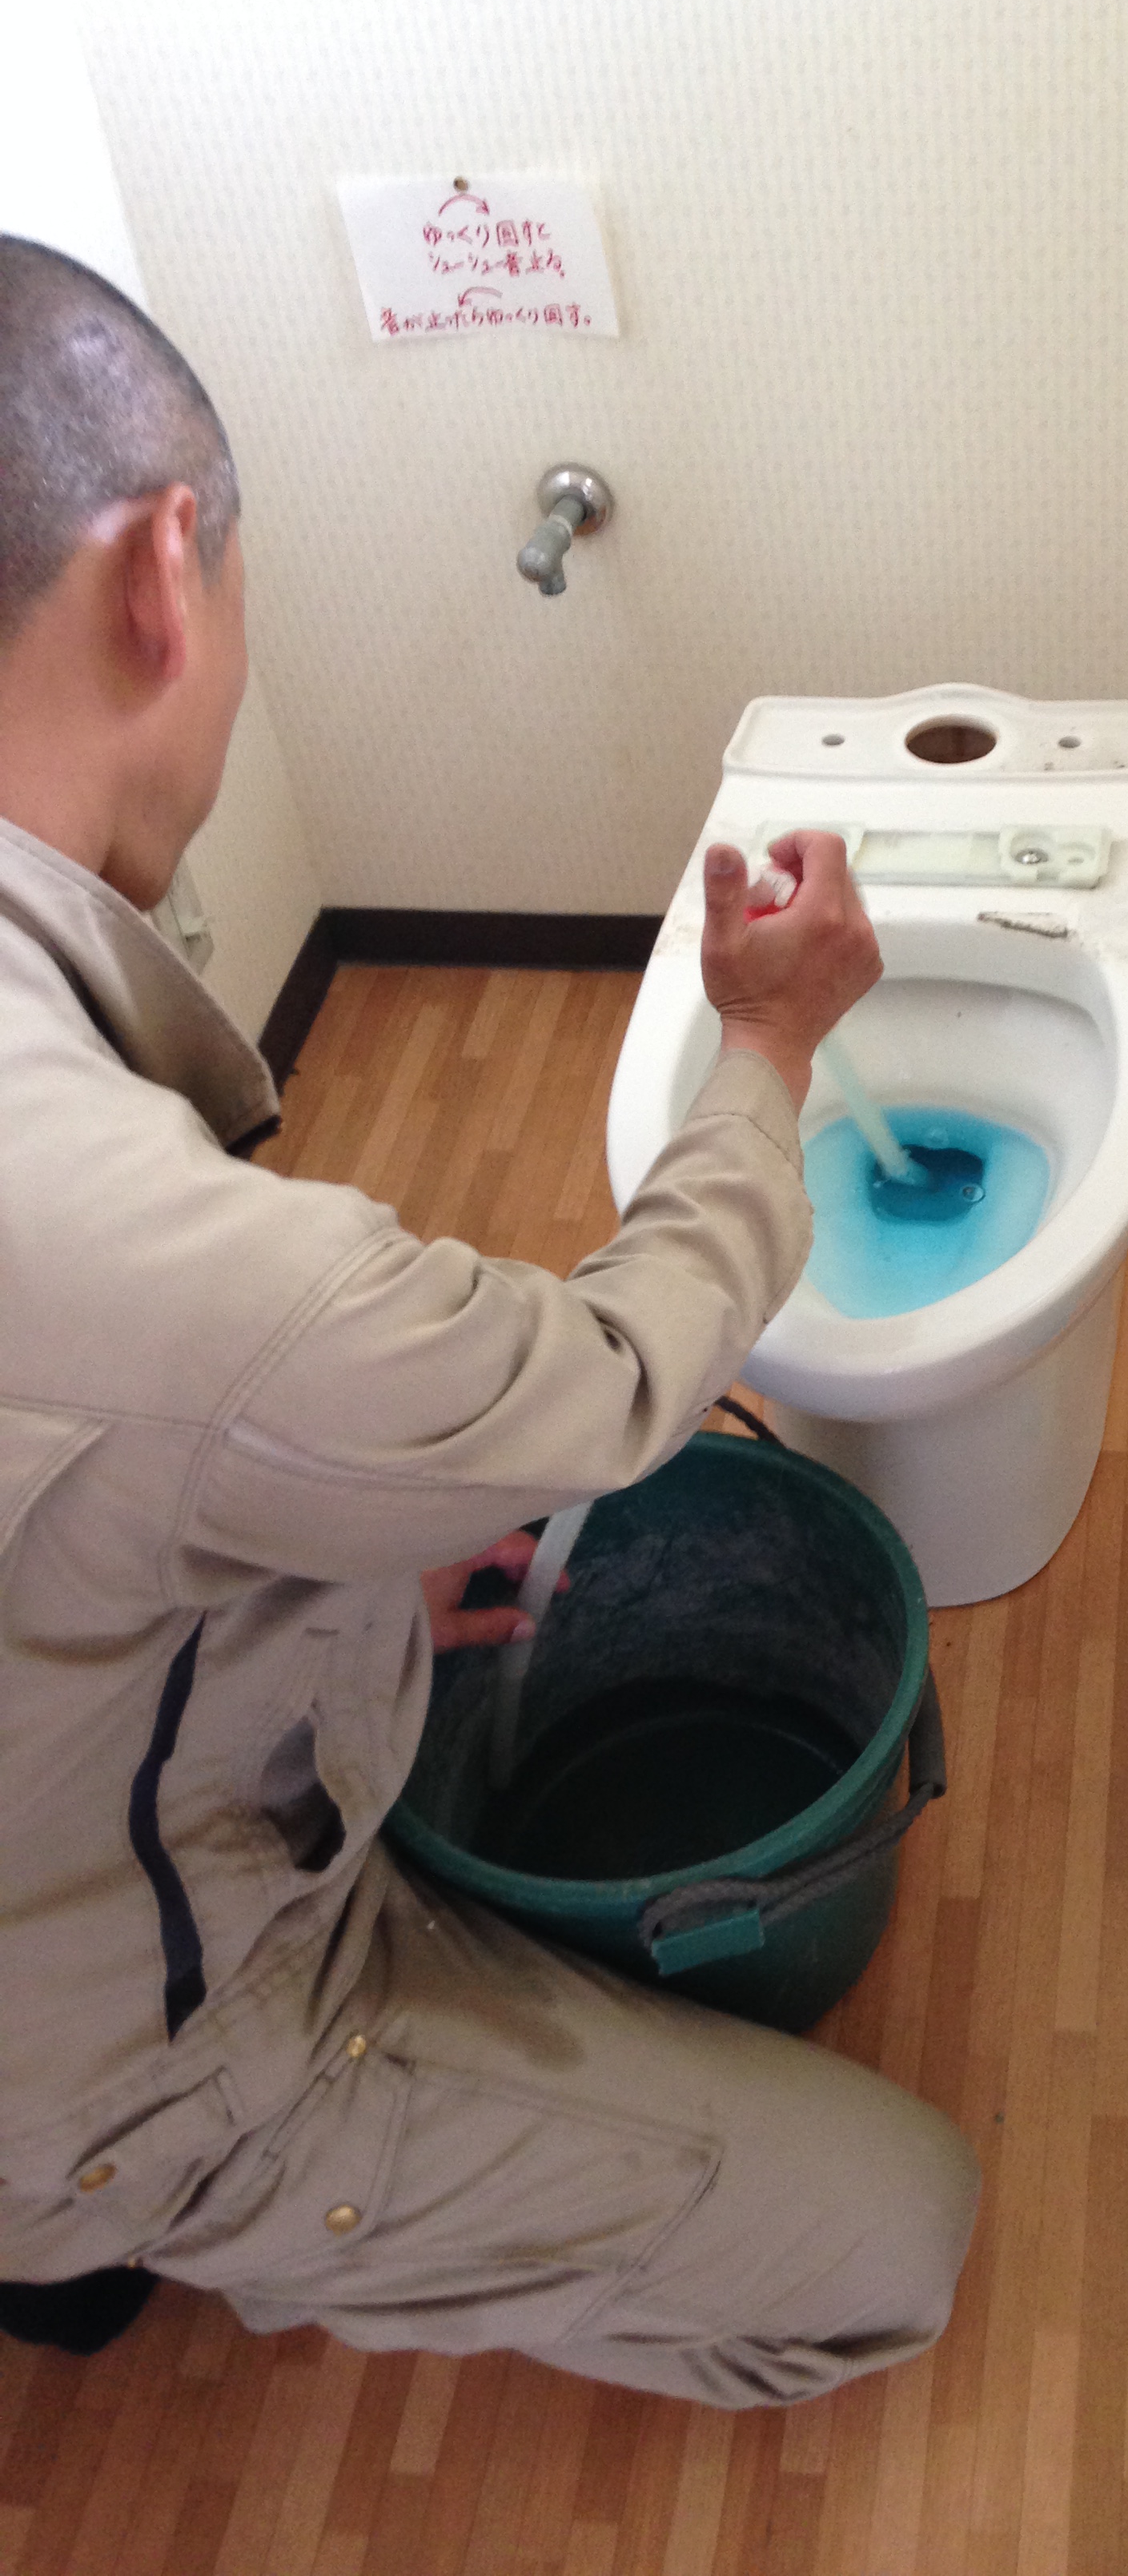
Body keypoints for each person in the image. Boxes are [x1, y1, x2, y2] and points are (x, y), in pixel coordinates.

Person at [0, 236, 978, 2402]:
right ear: (165, 572)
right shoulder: (166, 1270)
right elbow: (614, 1380)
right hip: (110, 2054)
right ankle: (101, 2199)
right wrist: (769, 1046)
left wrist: (318, 1583)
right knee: (898, 2235)